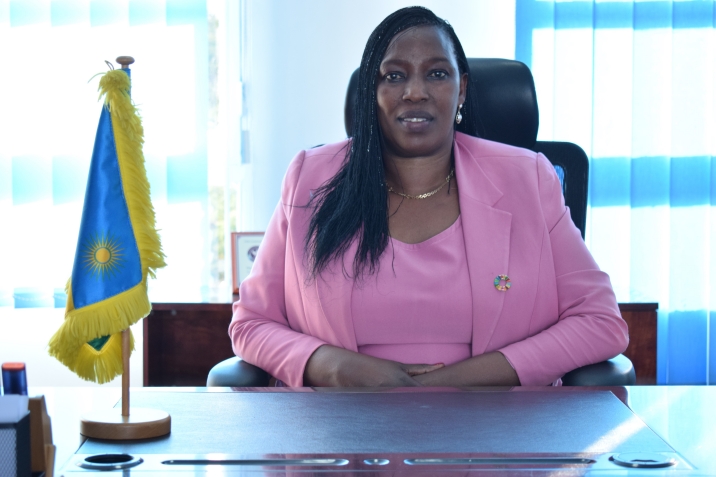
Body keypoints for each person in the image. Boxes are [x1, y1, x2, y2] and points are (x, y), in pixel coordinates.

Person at [229, 6, 628, 387]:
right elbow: (251, 323)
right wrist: (332, 367)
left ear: (461, 89)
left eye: (437, 74)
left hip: (498, 422)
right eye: (394, 76)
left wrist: (464, 381)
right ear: (371, 91)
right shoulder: (311, 177)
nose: (415, 92)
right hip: (339, 420)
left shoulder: (528, 179)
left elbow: (600, 321)